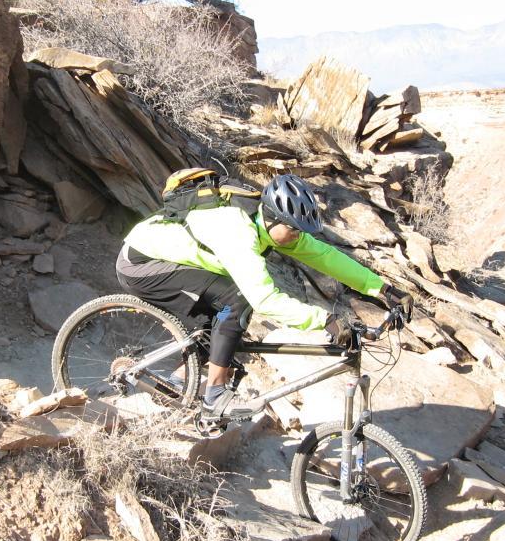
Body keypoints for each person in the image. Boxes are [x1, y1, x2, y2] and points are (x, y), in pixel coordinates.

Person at [115, 172, 407, 423]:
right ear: (274, 218)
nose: (297, 236)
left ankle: (180, 379)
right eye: (293, 229)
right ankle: (214, 396)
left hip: (179, 261)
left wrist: (383, 289)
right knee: (237, 300)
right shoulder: (236, 230)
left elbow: (325, 256)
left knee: (226, 314)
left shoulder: (272, 227)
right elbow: (264, 299)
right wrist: (325, 320)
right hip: (142, 264)